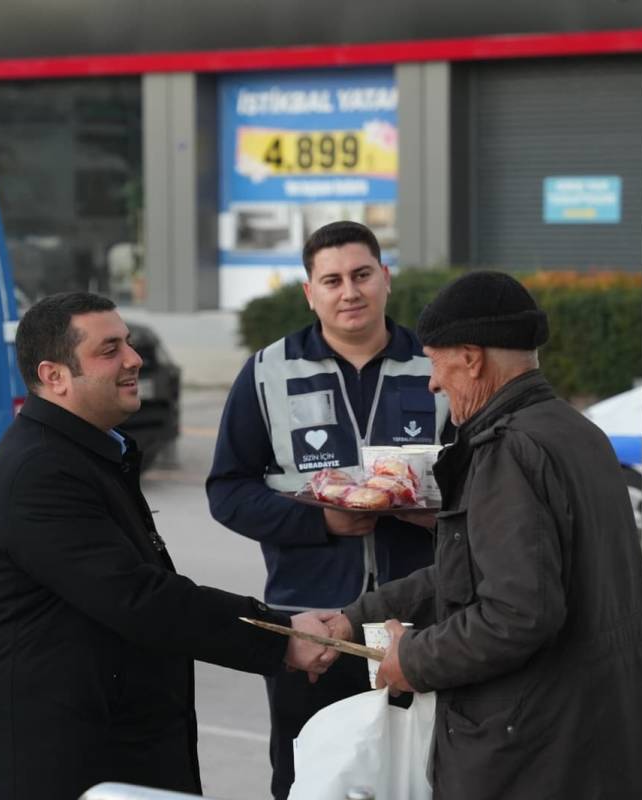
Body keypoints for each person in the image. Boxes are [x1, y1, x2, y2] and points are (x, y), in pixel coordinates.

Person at [322, 271, 642, 798]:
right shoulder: (576, 430)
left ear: (471, 358)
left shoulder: (510, 451)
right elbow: (474, 569)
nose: (432, 383)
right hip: (605, 740)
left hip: (543, 755)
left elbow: (517, 614)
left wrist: (413, 660)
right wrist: (359, 617)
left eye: (436, 362)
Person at [0, 292, 337, 799]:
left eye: (129, 343)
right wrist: (279, 636)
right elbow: (139, 598)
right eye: (109, 350)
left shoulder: (84, 453)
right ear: (55, 376)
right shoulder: (40, 472)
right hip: (71, 769)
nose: (134, 359)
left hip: (114, 753)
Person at [206, 220, 444, 798]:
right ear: (310, 293)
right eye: (332, 281)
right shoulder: (268, 371)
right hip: (310, 621)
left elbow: (485, 483)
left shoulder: (435, 365)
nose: (350, 292)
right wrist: (320, 521)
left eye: (362, 275)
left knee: (424, 776)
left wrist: (434, 512)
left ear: (385, 278)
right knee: (311, 778)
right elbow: (227, 491)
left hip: (420, 618)